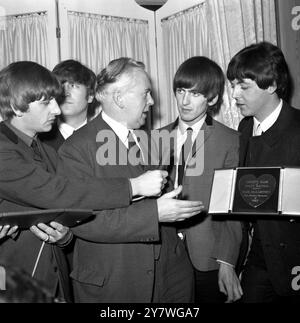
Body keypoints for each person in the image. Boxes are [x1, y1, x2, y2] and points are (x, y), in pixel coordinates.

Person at [0, 61, 169, 302]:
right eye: (46, 102)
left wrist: (64, 237)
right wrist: (133, 186)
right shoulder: (2, 149)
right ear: (17, 107)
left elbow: (64, 213)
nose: (58, 111)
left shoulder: (46, 149)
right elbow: (56, 192)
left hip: (51, 283)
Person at [57, 57, 204, 303]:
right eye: (145, 94)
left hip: (171, 278)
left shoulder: (151, 141)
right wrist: (154, 213)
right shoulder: (76, 148)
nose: (152, 102)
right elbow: (82, 221)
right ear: (119, 98)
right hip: (117, 282)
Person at [160, 56, 242, 303]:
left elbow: (233, 208)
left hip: (208, 256)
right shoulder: (156, 137)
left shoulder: (230, 140)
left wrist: (227, 260)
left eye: (195, 94)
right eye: (181, 91)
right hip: (163, 255)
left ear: (213, 98)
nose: (184, 101)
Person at [227, 41, 300, 303]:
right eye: (233, 85)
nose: (234, 94)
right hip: (258, 257)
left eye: (243, 86)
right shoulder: (244, 129)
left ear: (271, 85)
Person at [40, 59, 100, 150]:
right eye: (61, 86)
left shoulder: (104, 140)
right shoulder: (39, 141)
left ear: (90, 96)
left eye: (73, 85)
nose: (66, 93)